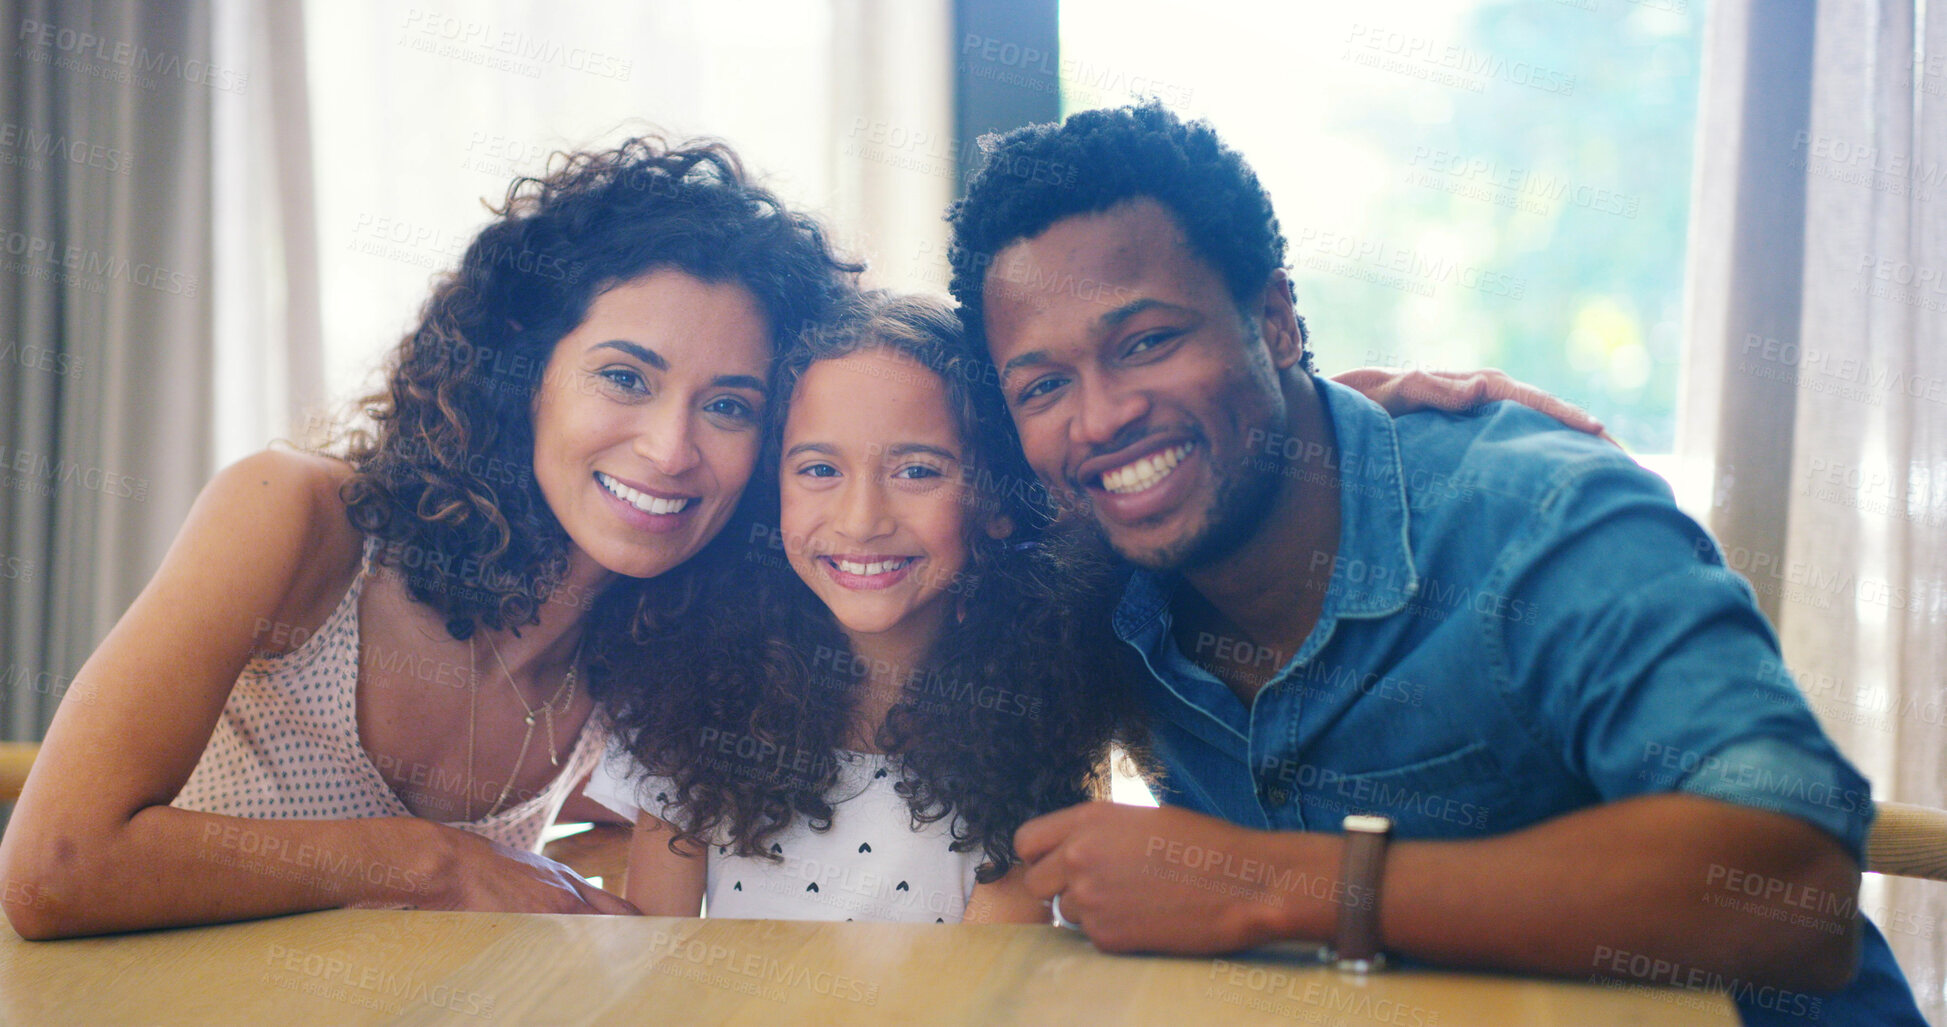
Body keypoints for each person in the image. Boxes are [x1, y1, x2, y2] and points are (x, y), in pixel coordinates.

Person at [944, 103, 1926, 1026]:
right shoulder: (1096, 579)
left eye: (1149, 340)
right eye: (1043, 386)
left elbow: (1797, 887)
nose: (1103, 416)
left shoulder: (1540, 519)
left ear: (1277, 319)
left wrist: (1266, 884)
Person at [0, 136, 858, 939]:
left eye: (728, 406)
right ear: (524, 371)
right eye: (625, 376)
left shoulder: (651, 645)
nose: (671, 449)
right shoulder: (295, 516)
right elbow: (55, 869)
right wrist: (429, 860)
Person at [584, 292, 1141, 924]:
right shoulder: (687, 706)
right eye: (820, 469)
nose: (861, 520)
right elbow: (656, 963)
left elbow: (992, 990)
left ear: (996, 501)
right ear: (774, 496)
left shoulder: (1040, 711)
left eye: (917, 472)